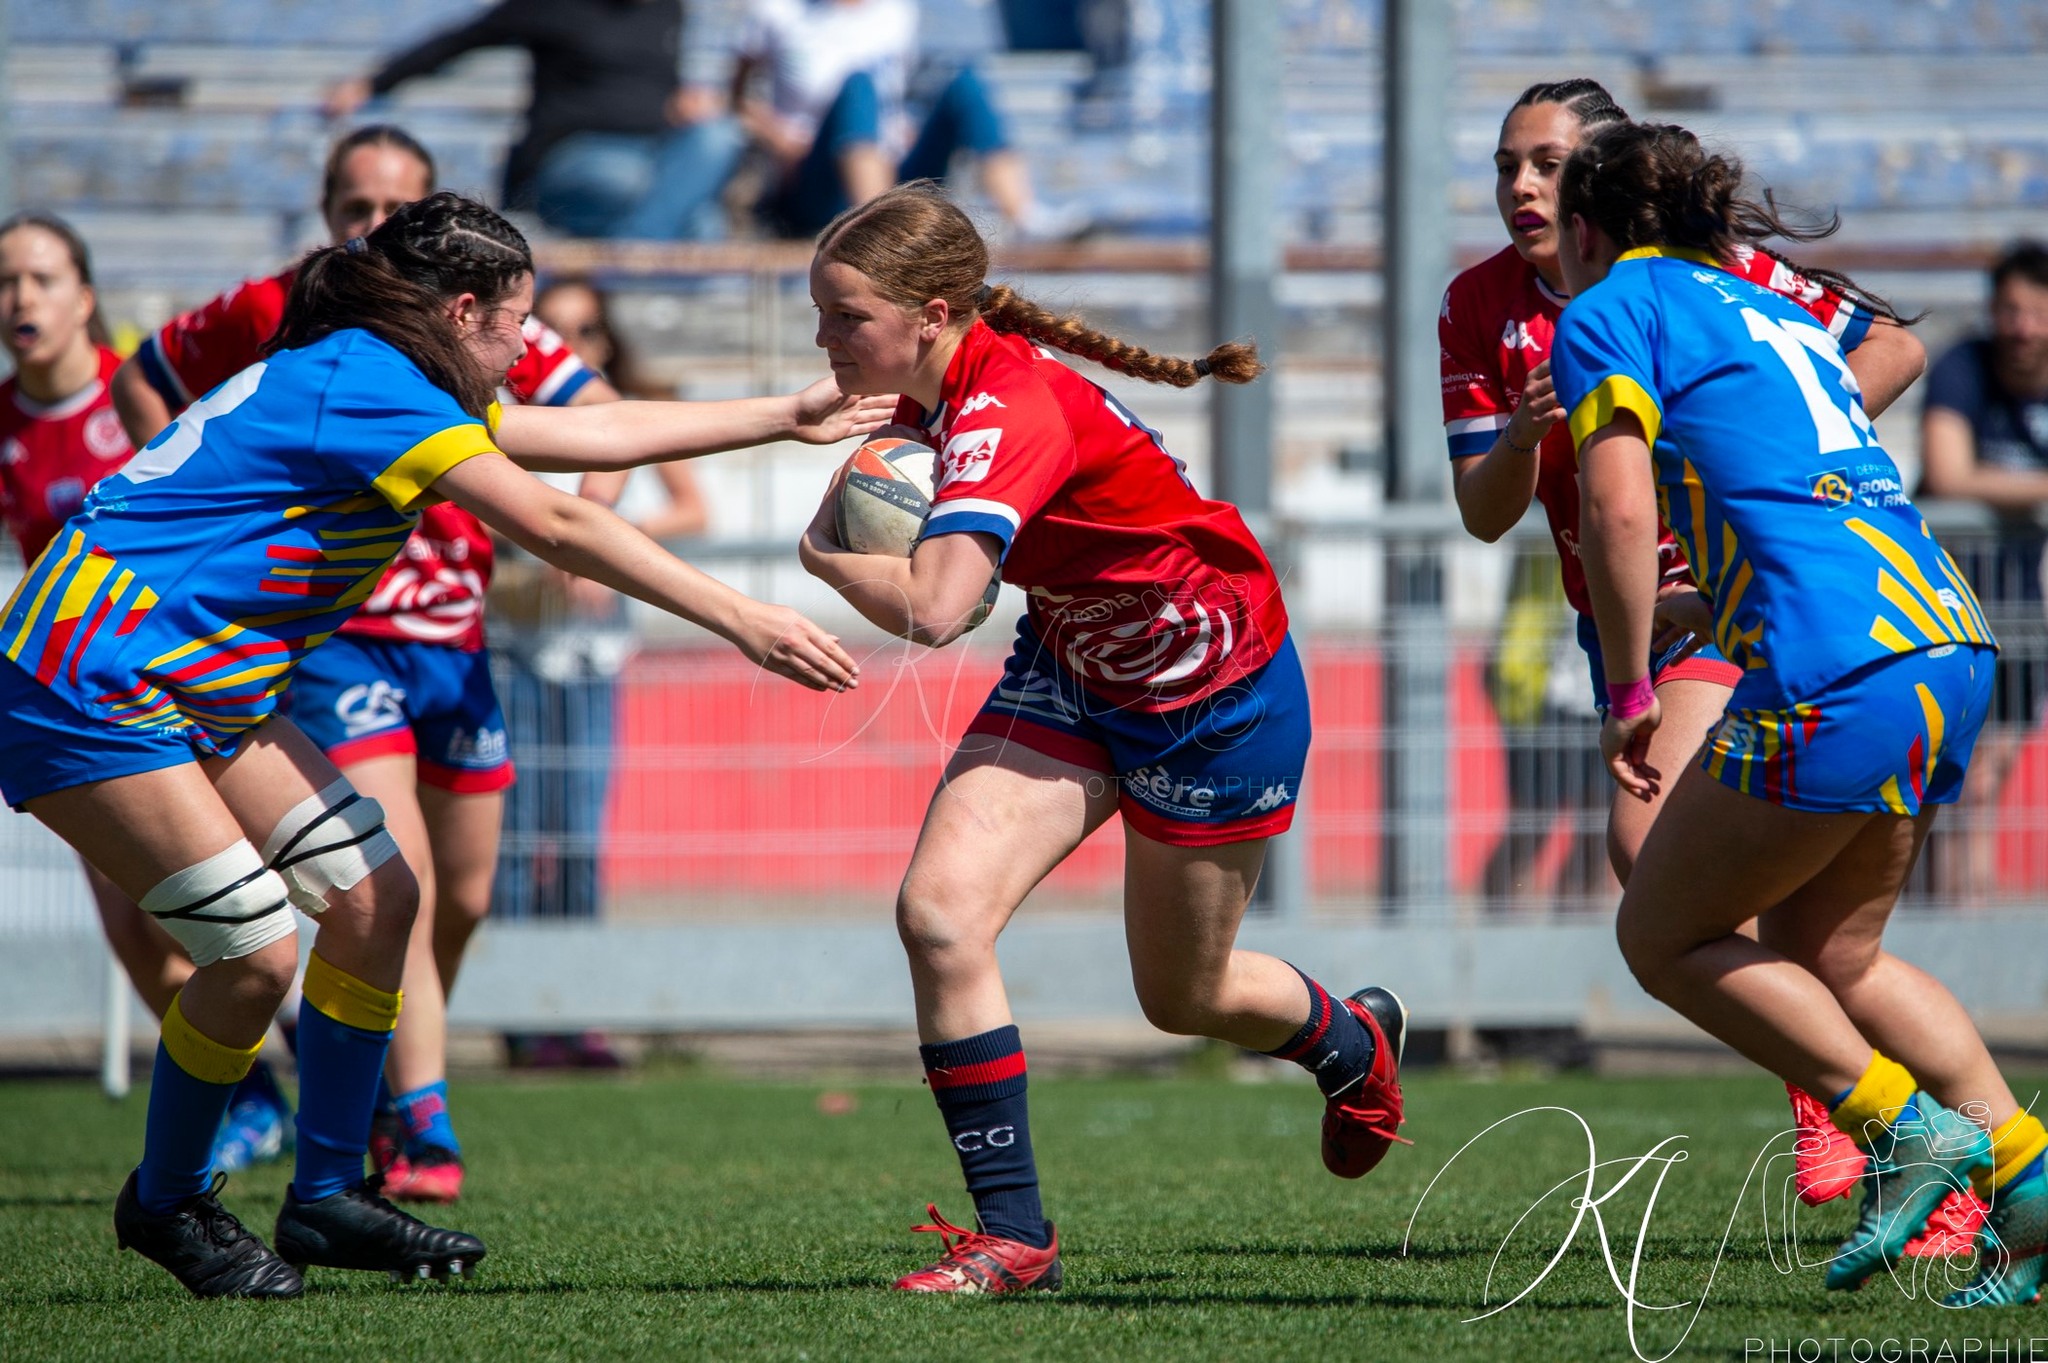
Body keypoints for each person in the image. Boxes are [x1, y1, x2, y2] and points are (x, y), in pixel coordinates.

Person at [8, 190, 873, 1299]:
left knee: (378, 904)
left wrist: (782, 414)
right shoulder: (368, 382)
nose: (527, 352)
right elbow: (555, 519)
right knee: (257, 953)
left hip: (195, 684)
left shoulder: (380, 373)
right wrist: (743, 616)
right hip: (91, 676)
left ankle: (323, 1194)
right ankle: (167, 1201)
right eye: (519, 326)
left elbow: (587, 434)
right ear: (465, 311)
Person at [797, 182, 1406, 1294]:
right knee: (939, 916)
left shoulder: (999, 413)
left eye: (844, 316)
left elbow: (938, 609)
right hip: (1077, 664)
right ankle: (1013, 1235)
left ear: (932, 314)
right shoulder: (932, 393)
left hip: (1210, 694)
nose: (824, 338)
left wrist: (823, 557)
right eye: (821, 312)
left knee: (1184, 997)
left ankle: (1350, 1044)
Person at [1438, 77, 1982, 1248]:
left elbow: (1881, 347)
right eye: (1502, 165)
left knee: (1652, 867)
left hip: (1736, 620)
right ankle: (1991, 1168)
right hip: (1826, 621)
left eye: (1544, 163)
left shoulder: (1682, 283)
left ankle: (1866, 1116)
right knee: (1823, 942)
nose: (1519, 186)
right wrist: (1531, 434)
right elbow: (1483, 511)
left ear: (1598, 186)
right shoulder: (1480, 307)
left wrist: (1767, 475)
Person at [1554, 120, 2045, 1308]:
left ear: (1585, 230)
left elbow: (1615, 514)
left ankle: (1900, 1128)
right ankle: (2028, 1189)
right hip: (1943, 637)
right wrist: (1717, 594)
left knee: (1660, 934)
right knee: (1836, 951)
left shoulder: (1607, 312)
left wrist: (1625, 689)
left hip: (1835, 662)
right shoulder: (1767, 307)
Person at [114, 124, 620, 1206]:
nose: (365, 222)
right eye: (352, 203)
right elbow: (147, 379)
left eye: (390, 205)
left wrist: (783, 414)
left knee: (437, 896)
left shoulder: (442, 355)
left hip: (439, 640)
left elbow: (581, 433)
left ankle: (330, 1153)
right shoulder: (328, 341)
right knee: (334, 912)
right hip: (269, 653)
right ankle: (391, 1131)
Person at [0, 210, 299, 1171]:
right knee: (137, 931)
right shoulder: (7, 419)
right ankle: (256, 1102)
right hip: (88, 696)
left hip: (189, 679)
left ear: (85, 297)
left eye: (41, 279)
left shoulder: (138, 390)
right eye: (6, 283)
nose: (21, 300)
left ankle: (345, 1092)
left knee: (252, 910)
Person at [491, 278, 708, 1068]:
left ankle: (573, 1002)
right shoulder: (503, 419)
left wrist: (609, 537)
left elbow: (693, 507)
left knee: (576, 830)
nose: (576, 345)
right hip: (513, 647)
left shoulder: (616, 418)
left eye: (588, 330)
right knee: (515, 835)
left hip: (587, 651)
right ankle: (518, 1006)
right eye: (559, 329)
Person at [322, 0, 742, 240]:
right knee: (647, 193)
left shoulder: (667, 8)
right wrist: (372, 84)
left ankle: (640, 258)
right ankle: (640, 267)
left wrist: (685, 99)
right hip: (571, 157)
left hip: (656, 154)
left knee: (720, 144)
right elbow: (462, 39)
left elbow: (656, 82)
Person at [1918, 241, 2048, 893]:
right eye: (2009, 309)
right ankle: (1939, 919)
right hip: (1940, 608)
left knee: (1986, 782)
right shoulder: (1963, 365)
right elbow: (1949, 474)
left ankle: (1961, 915)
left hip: (2019, 614)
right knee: (1941, 782)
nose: (2021, 326)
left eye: (2035, 310)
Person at [734, 0, 1063, 240]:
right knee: (858, 85)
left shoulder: (896, 13)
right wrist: (779, 140)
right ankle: (878, 233)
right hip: (816, 176)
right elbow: (735, 100)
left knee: (966, 84)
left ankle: (1024, 216)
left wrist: (904, 128)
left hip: (889, 168)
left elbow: (894, 96)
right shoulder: (777, 11)